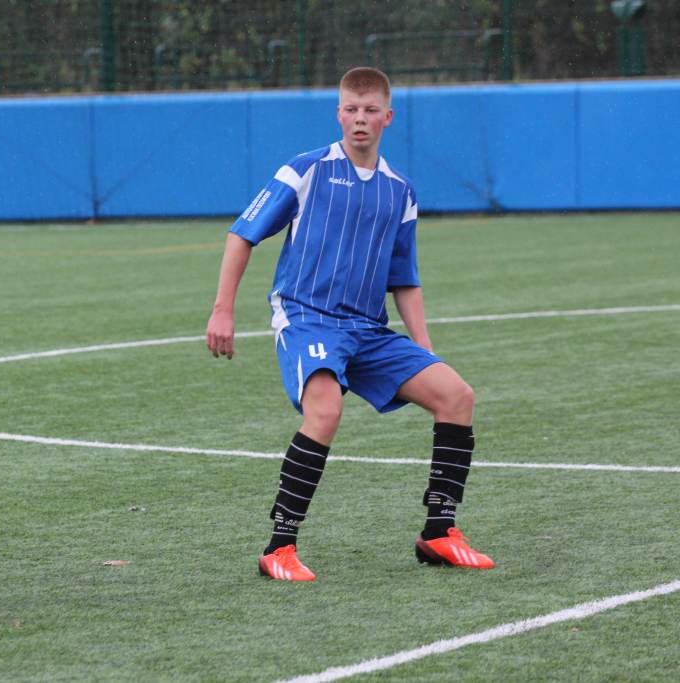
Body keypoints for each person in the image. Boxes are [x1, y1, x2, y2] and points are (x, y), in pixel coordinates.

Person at [206, 67, 493, 581]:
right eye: (350, 109)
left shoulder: (399, 191)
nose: (359, 119)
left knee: (457, 396)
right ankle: (280, 546)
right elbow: (241, 235)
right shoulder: (305, 170)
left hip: (368, 329)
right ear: (338, 113)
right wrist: (222, 308)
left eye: (369, 111)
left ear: (388, 117)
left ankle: (439, 532)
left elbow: (404, 276)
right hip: (308, 319)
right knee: (326, 408)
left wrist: (424, 346)